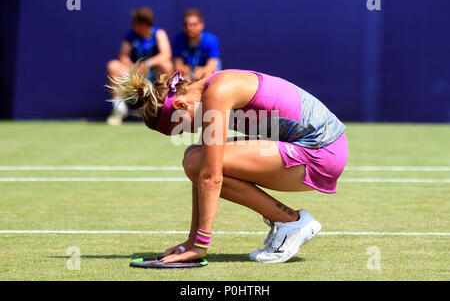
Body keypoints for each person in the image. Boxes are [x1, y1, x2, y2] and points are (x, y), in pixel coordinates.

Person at [108, 65, 348, 264]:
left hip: (322, 153)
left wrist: (200, 246)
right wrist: (191, 241)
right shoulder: (212, 88)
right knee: (196, 157)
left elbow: (210, 176)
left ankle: (291, 222)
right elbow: (202, 172)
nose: (190, 130)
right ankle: (288, 221)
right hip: (319, 149)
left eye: (181, 127)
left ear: (181, 106)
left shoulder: (218, 92)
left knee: (195, 159)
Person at [106, 7, 173, 125]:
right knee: (113, 65)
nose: (132, 25)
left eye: (134, 23)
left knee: (166, 66)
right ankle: (119, 110)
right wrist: (133, 68)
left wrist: (148, 64)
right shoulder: (131, 35)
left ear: (143, 25)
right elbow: (123, 56)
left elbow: (166, 54)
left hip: (153, 73)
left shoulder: (159, 33)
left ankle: (162, 109)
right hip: (135, 73)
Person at [173, 9, 220, 81]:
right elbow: (177, 64)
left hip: (204, 72)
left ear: (201, 25)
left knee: (210, 74)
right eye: (186, 25)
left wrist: (202, 71)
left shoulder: (211, 40)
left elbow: (212, 66)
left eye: (193, 25)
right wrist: (186, 70)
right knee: (176, 74)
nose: (189, 28)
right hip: (187, 73)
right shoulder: (179, 39)